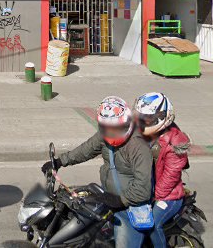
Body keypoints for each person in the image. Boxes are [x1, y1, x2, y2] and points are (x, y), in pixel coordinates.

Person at [42, 96, 153, 248]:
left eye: (115, 127)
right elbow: (86, 150)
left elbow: (143, 189)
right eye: (106, 127)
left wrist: (121, 200)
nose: (111, 132)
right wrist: (60, 162)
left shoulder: (138, 147)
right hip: (108, 197)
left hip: (130, 205)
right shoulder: (105, 135)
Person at [134, 93, 191, 248]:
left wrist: (155, 197)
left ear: (162, 117)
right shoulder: (145, 134)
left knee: (152, 224)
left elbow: (170, 176)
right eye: (142, 116)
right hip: (148, 191)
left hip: (168, 196)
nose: (144, 121)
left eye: (148, 117)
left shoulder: (175, 141)